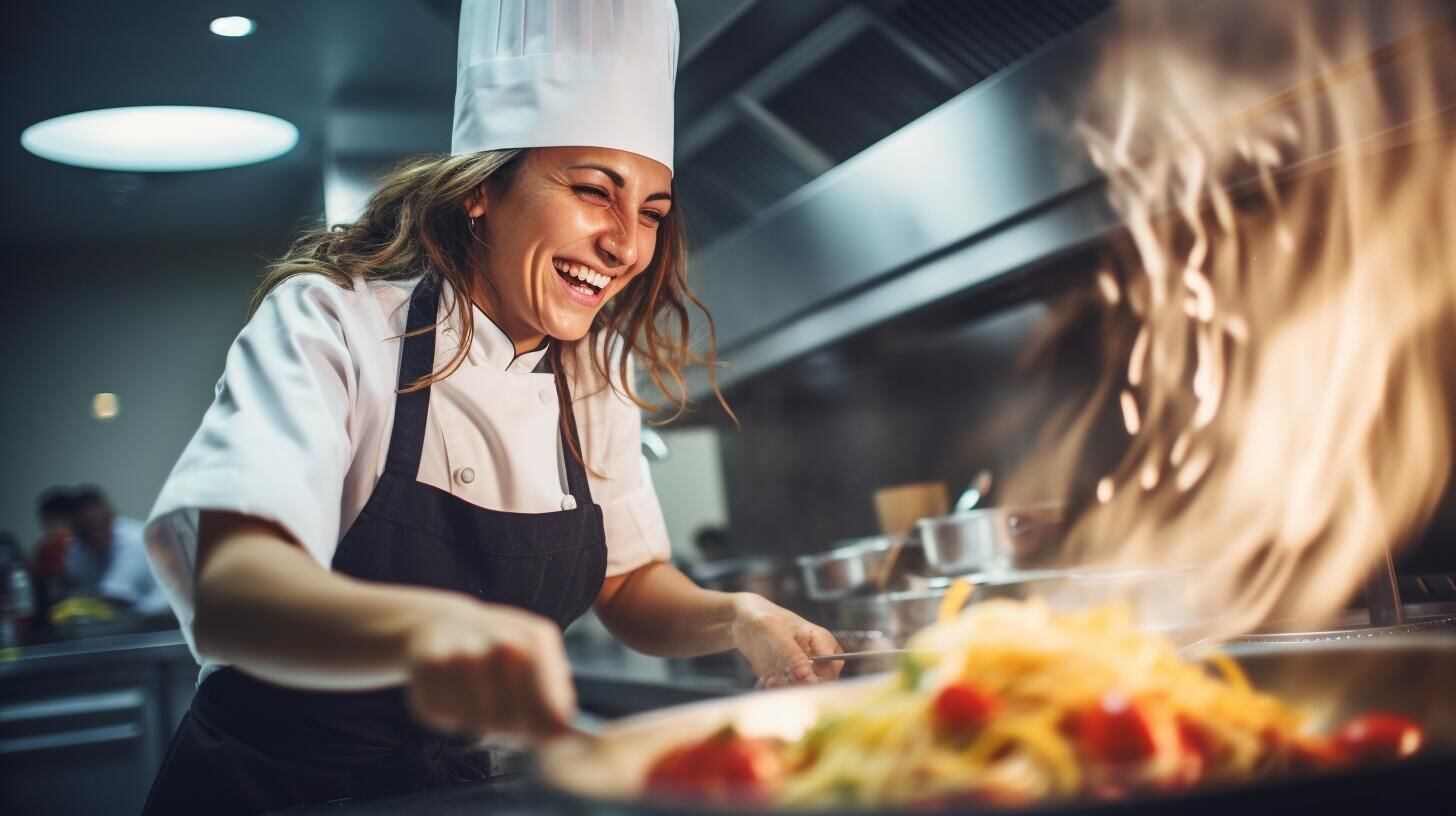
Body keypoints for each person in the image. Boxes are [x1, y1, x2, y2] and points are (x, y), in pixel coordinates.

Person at [140, 2, 841, 813]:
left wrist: (739, 617)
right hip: (267, 788)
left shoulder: (591, 371)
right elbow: (235, 587)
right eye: (592, 190)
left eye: (650, 212)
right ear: (481, 188)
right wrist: (422, 631)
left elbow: (631, 584)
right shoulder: (332, 321)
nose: (625, 245)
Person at [63, 487, 171, 615]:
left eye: (101, 525)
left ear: (111, 516)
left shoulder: (136, 540)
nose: (96, 534)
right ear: (75, 529)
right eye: (88, 528)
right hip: (129, 620)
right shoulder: (76, 551)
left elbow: (115, 598)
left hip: (165, 619)